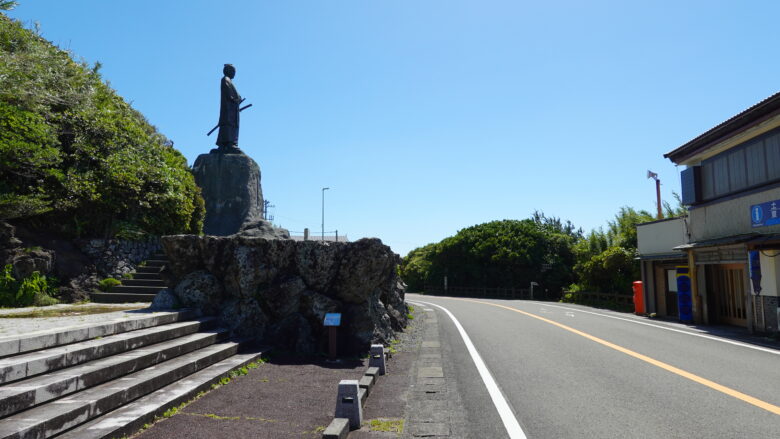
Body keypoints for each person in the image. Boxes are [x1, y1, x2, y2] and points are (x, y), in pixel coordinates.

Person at [216, 64, 242, 153]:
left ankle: (226, 144)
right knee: (229, 124)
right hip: (228, 109)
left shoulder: (228, 80)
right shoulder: (225, 80)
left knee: (230, 124)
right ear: (228, 71)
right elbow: (229, 94)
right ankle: (229, 143)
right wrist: (236, 99)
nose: (234, 73)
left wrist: (238, 99)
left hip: (232, 108)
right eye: (233, 71)